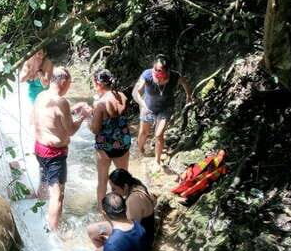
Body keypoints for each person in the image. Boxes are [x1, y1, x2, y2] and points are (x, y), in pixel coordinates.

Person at [32, 67, 90, 230]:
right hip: (54, 155)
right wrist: (82, 116)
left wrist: (72, 110)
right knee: (57, 196)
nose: (69, 87)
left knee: (44, 186)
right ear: (63, 82)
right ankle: (53, 234)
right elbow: (70, 130)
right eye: (69, 83)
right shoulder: (62, 101)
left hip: (39, 148)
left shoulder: (41, 96)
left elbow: (53, 116)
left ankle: (36, 214)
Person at [63, 168, 155, 251]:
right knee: (92, 230)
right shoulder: (136, 185)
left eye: (114, 189)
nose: (112, 192)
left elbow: (129, 233)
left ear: (124, 186)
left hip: (140, 245)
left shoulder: (134, 200)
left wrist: (110, 241)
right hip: (134, 233)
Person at [132, 54, 192, 166]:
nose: (156, 73)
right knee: (143, 133)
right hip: (148, 107)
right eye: (155, 69)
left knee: (159, 134)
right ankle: (140, 151)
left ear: (167, 70)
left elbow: (184, 82)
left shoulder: (174, 76)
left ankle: (157, 161)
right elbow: (136, 92)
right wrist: (142, 104)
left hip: (166, 108)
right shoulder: (147, 75)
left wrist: (189, 96)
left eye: (160, 71)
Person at [89, 69, 131, 208]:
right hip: (122, 145)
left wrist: (88, 117)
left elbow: (95, 129)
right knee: (123, 179)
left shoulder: (100, 104)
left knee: (102, 182)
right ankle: (125, 208)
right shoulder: (122, 96)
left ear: (97, 83)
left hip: (105, 146)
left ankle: (103, 212)